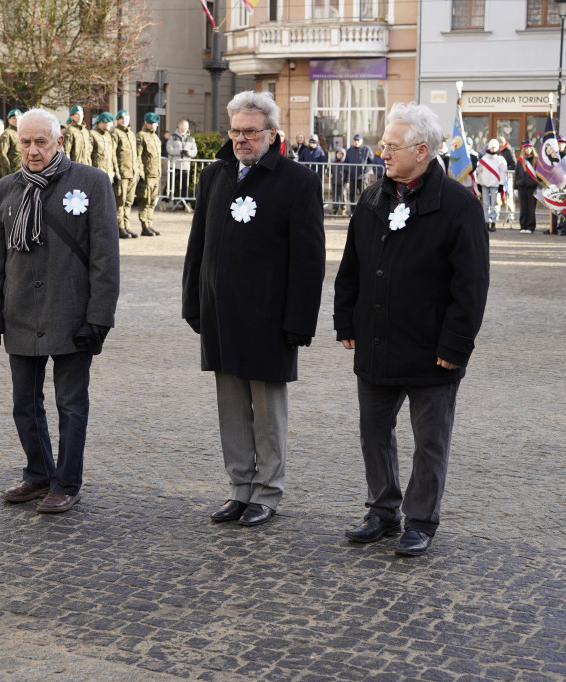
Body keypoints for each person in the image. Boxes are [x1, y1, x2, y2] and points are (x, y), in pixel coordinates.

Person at [333, 102, 489, 556]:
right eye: (382, 145)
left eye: (391, 147)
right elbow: (351, 268)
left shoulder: (460, 206)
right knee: (374, 433)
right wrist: (346, 319)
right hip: (377, 341)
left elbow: (471, 286)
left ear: (422, 151)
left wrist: (456, 345)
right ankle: (382, 510)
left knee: (430, 442)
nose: (382, 153)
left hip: (431, 348)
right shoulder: (372, 198)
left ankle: (420, 520)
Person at [182, 91, 325, 528]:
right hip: (221, 313)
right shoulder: (215, 177)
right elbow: (197, 247)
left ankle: (268, 492)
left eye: (251, 132)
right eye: (236, 131)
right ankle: (239, 488)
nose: (242, 139)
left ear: (272, 134)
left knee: (267, 411)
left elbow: (309, 259)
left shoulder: (297, 181)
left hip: (269, 316)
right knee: (231, 407)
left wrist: (300, 320)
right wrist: (193, 301)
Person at [0, 108, 120, 514]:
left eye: (41, 141)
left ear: (60, 142)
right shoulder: (4, 189)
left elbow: (105, 258)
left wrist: (99, 317)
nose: (32, 150)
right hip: (20, 312)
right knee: (24, 403)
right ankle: (38, 473)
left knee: (71, 404)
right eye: (25, 141)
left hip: (72, 314)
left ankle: (67, 482)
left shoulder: (91, 182)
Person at [112, 110, 139, 238]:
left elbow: (136, 155)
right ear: (118, 120)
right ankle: (119, 227)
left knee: (129, 202)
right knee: (120, 202)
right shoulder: (115, 133)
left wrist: (137, 171)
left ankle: (127, 226)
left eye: (126, 118)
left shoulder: (131, 134)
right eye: (121, 118)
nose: (124, 120)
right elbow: (113, 154)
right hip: (122, 173)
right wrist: (116, 172)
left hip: (132, 173)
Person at [135, 112, 162, 236]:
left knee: (152, 202)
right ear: (146, 123)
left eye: (155, 123)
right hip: (146, 174)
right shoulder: (141, 136)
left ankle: (150, 224)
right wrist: (141, 173)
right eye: (152, 123)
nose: (154, 125)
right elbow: (138, 156)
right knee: (145, 201)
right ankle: (144, 225)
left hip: (155, 174)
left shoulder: (156, 138)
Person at [475, 138, 507, 232]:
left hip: (495, 185)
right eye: (491, 147)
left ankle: (493, 222)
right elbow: (480, 172)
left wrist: (501, 184)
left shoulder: (501, 159)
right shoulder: (484, 159)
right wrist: (479, 183)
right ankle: (486, 222)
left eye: (494, 147)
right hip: (484, 184)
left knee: (495, 204)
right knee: (485, 204)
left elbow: (503, 172)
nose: (493, 149)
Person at [166, 119, 198, 210]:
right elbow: (169, 149)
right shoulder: (173, 137)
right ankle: (164, 201)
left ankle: (186, 204)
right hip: (174, 165)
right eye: (183, 125)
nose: (184, 127)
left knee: (185, 186)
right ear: (179, 126)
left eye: (186, 126)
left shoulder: (191, 138)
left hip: (185, 166)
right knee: (169, 184)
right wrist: (179, 152)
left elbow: (195, 151)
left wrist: (189, 153)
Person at [344, 133, 374, 215]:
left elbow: (371, 162)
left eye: (358, 140)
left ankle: (364, 211)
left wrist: (365, 171)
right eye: (355, 140)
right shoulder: (349, 150)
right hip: (352, 176)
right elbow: (346, 163)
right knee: (352, 194)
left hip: (363, 177)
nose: (356, 142)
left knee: (363, 194)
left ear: (361, 141)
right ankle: (353, 211)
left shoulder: (366, 149)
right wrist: (347, 177)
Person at [515, 140, 539, 234]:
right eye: (526, 148)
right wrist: (515, 187)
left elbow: (539, 175)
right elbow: (516, 174)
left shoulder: (536, 159)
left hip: (532, 187)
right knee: (523, 207)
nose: (527, 150)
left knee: (531, 208)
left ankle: (530, 226)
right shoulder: (520, 160)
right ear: (523, 149)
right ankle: (523, 226)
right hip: (521, 186)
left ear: (532, 149)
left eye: (529, 148)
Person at [0, 108, 22, 177]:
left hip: (22, 170)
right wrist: (8, 170)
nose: (17, 120)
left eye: (19, 118)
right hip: (12, 171)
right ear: (9, 120)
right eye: (14, 118)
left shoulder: (23, 133)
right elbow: (2, 154)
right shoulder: (7, 134)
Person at [330, 148, 348, 215]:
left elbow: (348, 173)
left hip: (342, 183)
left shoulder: (345, 163)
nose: (339, 155)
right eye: (338, 153)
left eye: (341, 154)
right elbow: (328, 170)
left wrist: (347, 181)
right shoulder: (333, 162)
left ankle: (343, 209)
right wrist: (329, 174)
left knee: (343, 196)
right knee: (334, 196)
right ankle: (335, 209)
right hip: (334, 182)